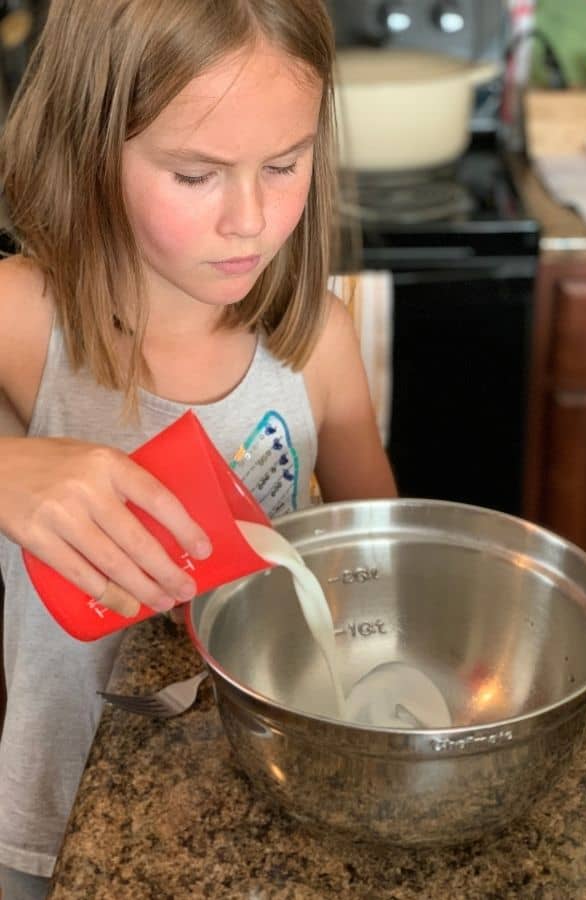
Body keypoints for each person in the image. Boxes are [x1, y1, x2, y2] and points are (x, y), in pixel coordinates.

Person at [0, 0, 397, 896]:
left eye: (286, 164)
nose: (251, 221)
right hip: (61, 828)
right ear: (90, 147)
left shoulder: (317, 345)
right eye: (196, 175)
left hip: (277, 818)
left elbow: (380, 566)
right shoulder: (24, 322)